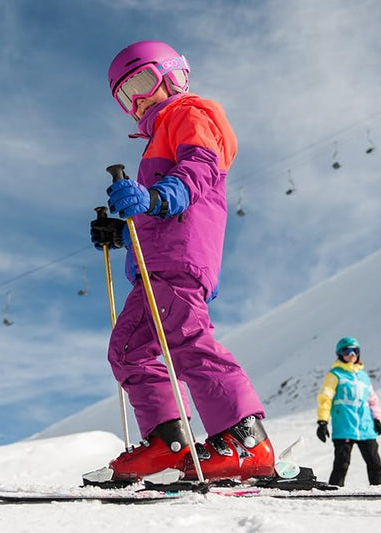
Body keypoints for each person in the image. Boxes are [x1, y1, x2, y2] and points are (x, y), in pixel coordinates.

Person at [88, 40, 274, 484]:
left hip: (182, 258)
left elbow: (199, 170)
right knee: (129, 349)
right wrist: (123, 232)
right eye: (126, 92)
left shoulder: (190, 113)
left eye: (143, 80)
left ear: (173, 74)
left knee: (188, 340)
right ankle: (168, 442)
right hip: (155, 265)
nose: (139, 97)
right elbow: (154, 215)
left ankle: (246, 440)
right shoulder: (157, 137)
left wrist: (154, 195)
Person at [316, 337, 381, 487]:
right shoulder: (335, 375)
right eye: (347, 351)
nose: (351, 354)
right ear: (340, 354)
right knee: (341, 465)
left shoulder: (363, 376)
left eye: (355, 351)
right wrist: (322, 421)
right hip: (344, 426)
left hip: (366, 427)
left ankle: (380, 490)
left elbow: (372, 399)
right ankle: (334, 489)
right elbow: (325, 398)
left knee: (375, 463)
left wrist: (377, 419)